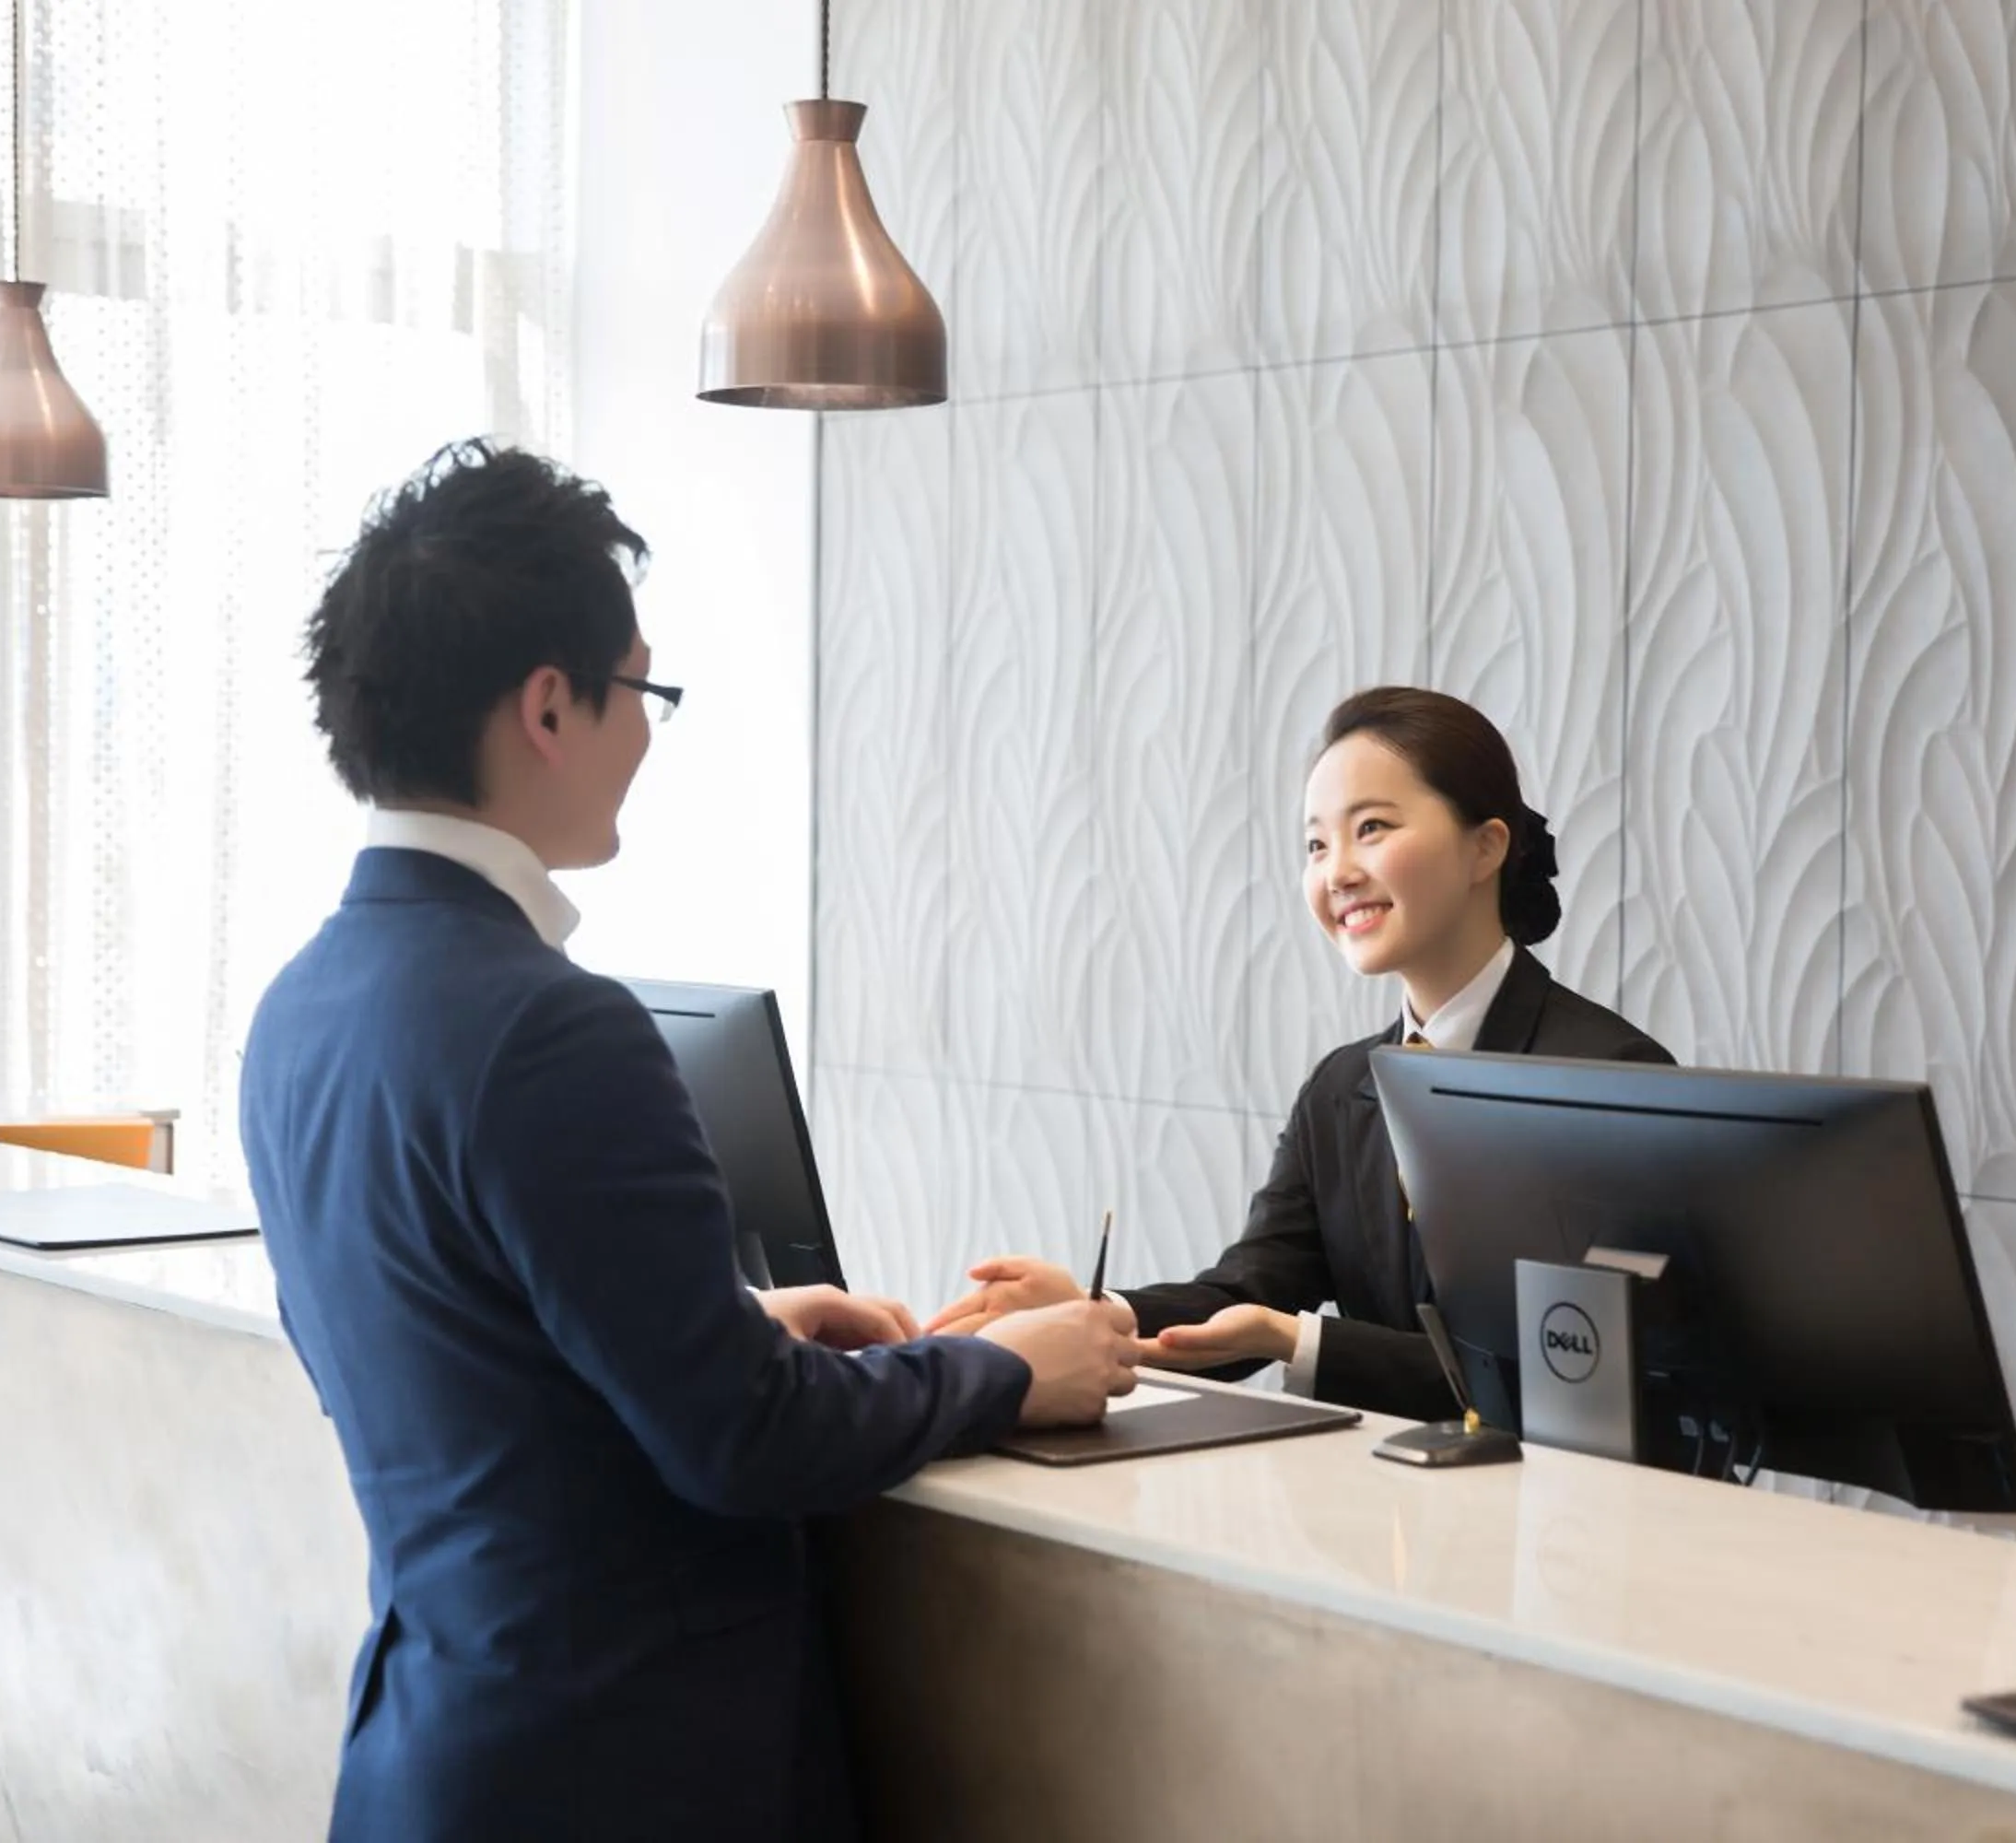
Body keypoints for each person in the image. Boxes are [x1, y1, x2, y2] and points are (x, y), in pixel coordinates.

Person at [240, 440, 1138, 1841]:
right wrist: (997, 1369)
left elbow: (450, 1369)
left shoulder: (301, 1007)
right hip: (615, 1775)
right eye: (643, 691)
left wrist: (713, 1320)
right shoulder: (553, 1027)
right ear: (550, 705)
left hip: (429, 1761)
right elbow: (746, 1445)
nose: (649, 733)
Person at [930, 687, 1670, 1421]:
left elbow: (1573, 1375)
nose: (1336, 871)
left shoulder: (1612, 1079)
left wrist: (1301, 1340)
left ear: (1487, 846)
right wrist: (1096, 1309)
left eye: (1371, 827)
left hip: (1563, 1524)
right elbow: (1255, 1290)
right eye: (1316, 844)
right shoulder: (1342, 1086)